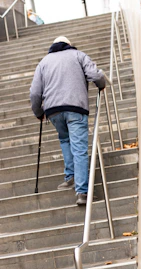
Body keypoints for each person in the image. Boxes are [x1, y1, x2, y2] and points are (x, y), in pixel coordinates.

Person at [30, 36, 106, 205]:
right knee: (79, 148)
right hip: (75, 107)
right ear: (68, 45)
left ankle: (70, 176)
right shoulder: (78, 55)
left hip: (53, 111)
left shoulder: (43, 62)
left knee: (65, 139)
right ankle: (82, 192)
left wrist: (38, 112)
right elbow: (94, 74)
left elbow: (35, 93)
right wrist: (101, 84)